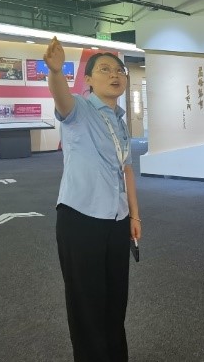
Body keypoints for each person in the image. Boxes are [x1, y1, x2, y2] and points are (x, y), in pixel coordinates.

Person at [44, 38, 142, 361]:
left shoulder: (120, 122)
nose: (115, 75)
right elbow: (61, 98)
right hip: (81, 219)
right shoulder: (80, 109)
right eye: (105, 70)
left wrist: (134, 216)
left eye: (119, 71)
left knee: (115, 304)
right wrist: (56, 72)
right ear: (88, 79)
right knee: (86, 309)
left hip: (116, 221)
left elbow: (126, 169)